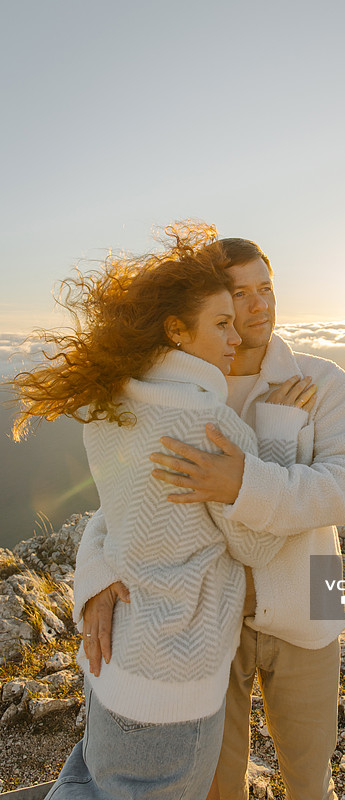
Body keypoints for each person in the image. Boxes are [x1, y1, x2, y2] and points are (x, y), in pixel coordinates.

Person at [11, 222, 317, 800]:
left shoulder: (111, 404)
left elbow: (119, 509)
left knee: (88, 781)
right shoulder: (211, 425)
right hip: (178, 681)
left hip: (115, 661)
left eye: (264, 291)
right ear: (177, 330)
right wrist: (276, 436)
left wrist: (97, 572)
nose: (235, 333)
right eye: (222, 321)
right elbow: (254, 544)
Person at [81, 235, 345, 800]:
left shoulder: (326, 380)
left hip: (315, 600)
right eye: (240, 294)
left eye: (266, 288)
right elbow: (125, 498)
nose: (259, 305)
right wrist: (95, 574)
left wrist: (245, 480)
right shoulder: (181, 390)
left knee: (311, 778)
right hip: (213, 620)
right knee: (220, 786)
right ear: (213, 302)